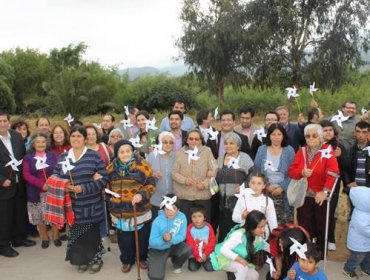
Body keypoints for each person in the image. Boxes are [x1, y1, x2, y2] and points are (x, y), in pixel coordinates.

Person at [52, 125, 109, 273]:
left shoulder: (93, 156)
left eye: (79, 136)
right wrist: (65, 186)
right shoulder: (63, 157)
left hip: (92, 204)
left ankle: (96, 259)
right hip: (73, 205)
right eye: (73, 136)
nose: (76, 139)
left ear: (85, 138)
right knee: (77, 234)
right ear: (69, 138)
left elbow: (104, 179)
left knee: (91, 234)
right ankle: (82, 260)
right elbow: (55, 177)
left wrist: (83, 188)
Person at [106, 139, 156, 273]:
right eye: (121, 152)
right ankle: (127, 260)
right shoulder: (110, 169)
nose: (125, 154)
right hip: (120, 211)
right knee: (124, 239)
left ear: (133, 151)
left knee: (142, 237)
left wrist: (142, 194)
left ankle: (142, 258)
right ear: (117, 154)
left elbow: (151, 184)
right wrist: (102, 185)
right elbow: (106, 186)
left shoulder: (143, 165)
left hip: (139, 210)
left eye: (128, 151)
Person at [288, 124, 339, 255]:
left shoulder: (327, 150)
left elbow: (333, 173)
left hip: (320, 196)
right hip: (304, 196)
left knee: (322, 227)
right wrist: (302, 172)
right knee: (304, 227)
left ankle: (319, 255)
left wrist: (325, 191)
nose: (311, 138)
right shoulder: (302, 151)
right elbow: (292, 171)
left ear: (321, 136)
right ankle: (304, 254)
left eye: (314, 135)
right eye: (308, 136)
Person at [0, 109, 36, 258]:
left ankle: (18, 238)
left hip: (19, 182)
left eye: (4, 121)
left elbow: (23, 157)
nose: (2, 124)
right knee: (4, 216)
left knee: (19, 212)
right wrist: (1, 180)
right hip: (4, 184)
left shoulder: (15, 136)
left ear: (9, 122)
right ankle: (3, 244)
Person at [22, 132, 59, 249]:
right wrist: (41, 184)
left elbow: (58, 169)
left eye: (43, 142)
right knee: (39, 217)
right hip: (36, 192)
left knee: (55, 215)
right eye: (38, 142)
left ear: (47, 143)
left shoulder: (52, 155)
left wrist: (52, 182)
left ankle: (56, 236)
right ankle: (44, 238)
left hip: (52, 190)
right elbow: (26, 174)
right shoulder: (28, 158)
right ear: (33, 144)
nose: (41, 144)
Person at [215, 132, 254, 242]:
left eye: (231, 143)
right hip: (223, 203)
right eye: (226, 143)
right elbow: (215, 177)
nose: (228, 146)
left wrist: (243, 187)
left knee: (238, 233)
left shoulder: (245, 158)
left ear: (238, 145)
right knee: (224, 233)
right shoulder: (220, 158)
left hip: (239, 201)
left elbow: (252, 177)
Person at [254, 124, 295, 224]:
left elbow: (293, 173)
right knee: (265, 222)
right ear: (269, 136)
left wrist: (282, 187)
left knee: (283, 224)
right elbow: (257, 170)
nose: (276, 137)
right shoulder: (262, 149)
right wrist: (267, 185)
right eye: (273, 134)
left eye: (279, 134)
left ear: (283, 136)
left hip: (284, 192)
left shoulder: (289, 150)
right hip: (265, 191)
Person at [172, 129, 216, 222]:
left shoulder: (207, 151)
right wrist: (184, 180)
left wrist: (204, 184)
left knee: (203, 223)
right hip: (184, 196)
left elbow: (213, 170)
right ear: (187, 140)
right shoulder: (180, 153)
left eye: (196, 139)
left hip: (202, 195)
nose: (193, 141)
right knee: (186, 223)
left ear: (200, 140)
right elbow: (174, 172)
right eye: (191, 139)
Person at [210, 210, 268, 280]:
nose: (263, 230)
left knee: (254, 276)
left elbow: (267, 247)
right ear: (251, 226)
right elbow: (223, 249)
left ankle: (234, 274)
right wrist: (239, 259)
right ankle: (235, 272)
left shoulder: (258, 238)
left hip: (238, 260)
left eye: (264, 226)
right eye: (260, 227)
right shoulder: (239, 234)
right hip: (225, 257)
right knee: (243, 267)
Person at [147, 194, 192, 280]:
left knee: (187, 249)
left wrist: (172, 239)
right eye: (167, 209)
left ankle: (176, 263)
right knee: (156, 277)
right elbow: (151, 241)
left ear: (178, 209)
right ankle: (151, 262)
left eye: (173, 208)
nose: (170, 211)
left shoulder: (182, 216)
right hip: (158, 249)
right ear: (163, 209)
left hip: (173, 245)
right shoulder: (157, 221)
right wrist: (163, 239)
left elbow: (182, 235)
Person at [320, 120, 349, 251]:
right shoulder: (317, 144)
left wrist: (340, 156)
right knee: (318, 211)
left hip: (333, 185)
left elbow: (345, 166)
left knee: (330, 211)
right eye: (325, 130)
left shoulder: (338, 145)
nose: (328, 132)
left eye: (330, 130)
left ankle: (330, 238)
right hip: (318, 183)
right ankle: (317, 236)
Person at [232, 172, 278, 239]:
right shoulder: (243, 198)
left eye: (259, 183)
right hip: (245, 235)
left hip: (261, 237)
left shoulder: (268, 201)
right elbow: (234, 218)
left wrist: (275, 238)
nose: (255, 186)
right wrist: (242, 217)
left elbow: (273, 222)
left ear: (264, 185)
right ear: (249, 184)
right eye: (253, 183)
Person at [342, 187, 370, 279]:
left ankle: (366, 268)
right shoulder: (361, 216)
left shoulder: (366, 212)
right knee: (357, 257)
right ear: (364, 202)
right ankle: (348, 269)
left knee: (367, 256)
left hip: (365, 242)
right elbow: (363, 229)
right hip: (358, 243)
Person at [147, 132, 176, 218]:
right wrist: (153, 174)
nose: (168, 144)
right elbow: (144, 174)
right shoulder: (152, 156)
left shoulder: (177, 157)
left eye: (171, 142)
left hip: (173, 199)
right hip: (156, 199)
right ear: (160, 143)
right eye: (165, 142)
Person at [186, 205, 216, 272]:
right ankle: (198, 261)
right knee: (192, 268)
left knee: (210, 268)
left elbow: (212, 241)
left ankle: (204, 261)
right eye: (194, 216)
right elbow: (190, 243)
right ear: (190, 217)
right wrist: (197, 256)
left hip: (207, 253)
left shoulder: (208, 227)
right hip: (194, 254)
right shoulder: (189, 228)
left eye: (199, 216)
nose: (197, 219)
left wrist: (205, 254)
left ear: (204, 218)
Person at [344, 121, 370, 191]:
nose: (361, 135)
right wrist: (348, 182)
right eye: (358, 131)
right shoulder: (350, 150)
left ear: (368, 133)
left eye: (364, 132)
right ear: (354, 132)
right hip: (355, 190)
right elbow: (345, 169)